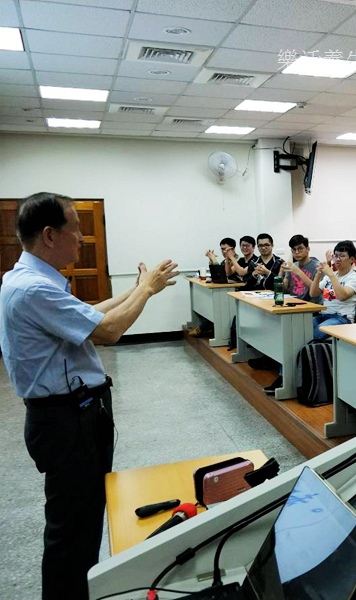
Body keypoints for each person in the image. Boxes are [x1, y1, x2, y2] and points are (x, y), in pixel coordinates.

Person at [0, 192, 180, 600]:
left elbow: (90, 315)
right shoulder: (33, 290)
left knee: (80, 524)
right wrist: (146, 291)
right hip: (67, 422)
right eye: (75, 229)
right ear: (49, 235)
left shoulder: (29, 281)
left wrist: (136, 289)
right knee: (72, 533)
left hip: (73, 416)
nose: (82, 238)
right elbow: (109, 331)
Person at [309, 240, 356, 339]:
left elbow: (342, 296)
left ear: (352, 259)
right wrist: (318, 275)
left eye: (342, 256)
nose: (337, 259)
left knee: (317, 332)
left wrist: (331, 274)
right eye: (335, 256)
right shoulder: (330, 276)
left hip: (342, 319)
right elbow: (313, 293)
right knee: (302, 328)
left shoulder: (354, 278)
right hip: (324, 315)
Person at [280, 234, 320, 303]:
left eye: (300, 249)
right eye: (294, 250)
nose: (297, 252)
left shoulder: (317, 267)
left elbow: (317, 290)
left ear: (308, 249)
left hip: (311, 306)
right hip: (292, 304)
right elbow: (284, 290)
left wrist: (299, 272)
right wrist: (280, 274)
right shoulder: (292, 266)